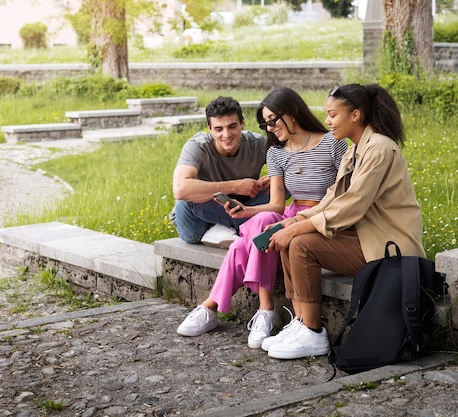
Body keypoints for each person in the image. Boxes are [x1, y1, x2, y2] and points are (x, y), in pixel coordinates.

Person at [261, 83, 426, 360]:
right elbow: (332, 199)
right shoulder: (354, 151)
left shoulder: (380, 149)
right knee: (292, 239)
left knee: (302, 244)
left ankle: (313, 333)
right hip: (366, 238)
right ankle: (300, 321)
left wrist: (298, 229)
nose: (327, 121)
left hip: (390, 249)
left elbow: (352, 206)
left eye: (332, 114)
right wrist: (292, 222)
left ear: (356, 115)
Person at [176, 87, 348, 349]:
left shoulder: (332, 143)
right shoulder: (276, 152)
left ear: (292, 114)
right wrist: (244, 211)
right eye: (265, 123)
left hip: (320, 215)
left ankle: (214, 306)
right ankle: (266, 310)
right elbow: (277, 204)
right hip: (291, 211)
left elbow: (343, 193)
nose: (269, 128)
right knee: (260, 221)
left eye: (272, 121)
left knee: (241, 243)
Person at [171, 96, 270, 249]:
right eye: (218, 129)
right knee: (187, 198)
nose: (226, 134)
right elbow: (180, 189)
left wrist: (274, 178)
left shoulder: (257, 144)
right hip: (199, 223)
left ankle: (226, 229)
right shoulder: (198, 146)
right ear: (209, 128)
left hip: (242, 207)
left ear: (242, 123)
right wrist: (235, 186)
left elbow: (292, 167)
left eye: (232, 126)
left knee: (283, 186)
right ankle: (240, 227)